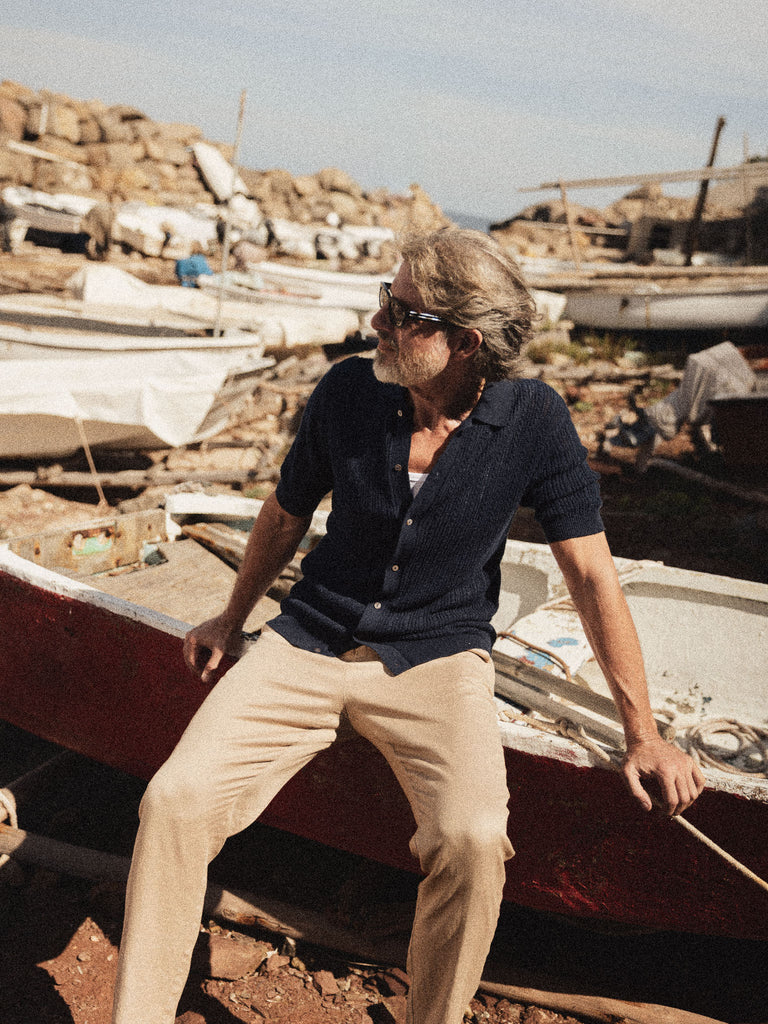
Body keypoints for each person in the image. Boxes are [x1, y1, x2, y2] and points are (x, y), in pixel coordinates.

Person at [111, 228, 705, 1024]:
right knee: (174, 801)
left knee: (472, 841)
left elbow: (593, 577)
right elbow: (285, 514)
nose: (378, 321)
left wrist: (644, 734)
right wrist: (231, 616)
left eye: (401, 312)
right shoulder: (347, 391)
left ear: (465, 342)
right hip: (308, 639)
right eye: (384, 301)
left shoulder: (534, 420)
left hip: (439, 659)